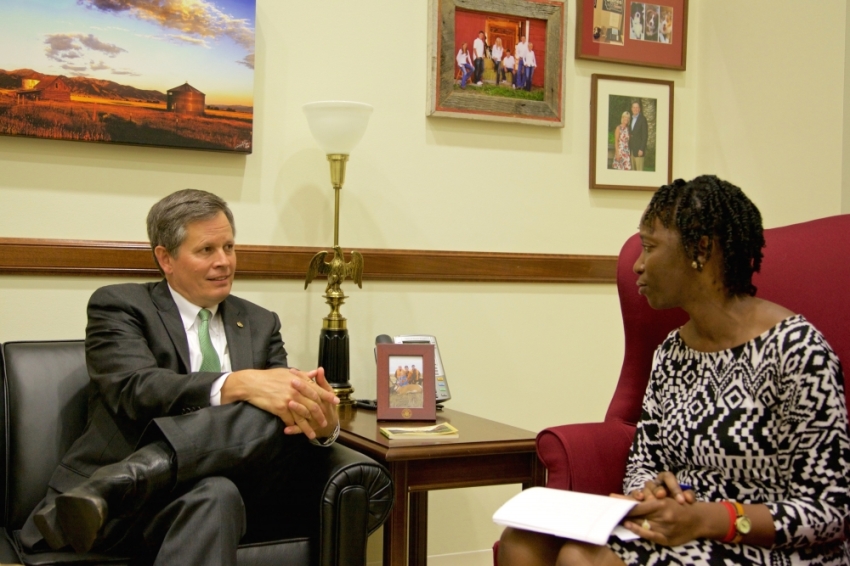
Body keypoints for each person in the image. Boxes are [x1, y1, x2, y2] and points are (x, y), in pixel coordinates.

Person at [498, 175, 850, 566]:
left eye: (649, 247)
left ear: (701, 250)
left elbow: (830, 509)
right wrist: (650, 493)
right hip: (678, 528)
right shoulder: (671, 351)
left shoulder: (796, 350)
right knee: (522, 542)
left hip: (767, 544)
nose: (638, 265)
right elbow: (643, 460)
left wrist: (712, 519)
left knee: (583, 559)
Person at [23, 189, 341, 565]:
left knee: (221, 488)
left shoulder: (260, 322)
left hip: (210, 497)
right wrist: (233, 384)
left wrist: (324, 423)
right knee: (248, 423)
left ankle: (120, 482)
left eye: (229, 246)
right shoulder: (120, 306)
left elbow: (281, 408)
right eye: (206, 250)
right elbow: (134, 389)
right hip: (122, 516)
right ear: (165, 257)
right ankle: (123, 483)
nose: (224, 262)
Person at [628, 101, 648, 171]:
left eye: (637, 107)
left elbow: (645, 135)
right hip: (632, 150)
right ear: (631, 109)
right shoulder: (630, 119)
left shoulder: (642, 119)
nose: (635, 109)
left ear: (639, 109)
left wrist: (641, 149)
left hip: (639, 151)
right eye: (634, 107)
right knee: (633, 172)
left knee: (639, 173)